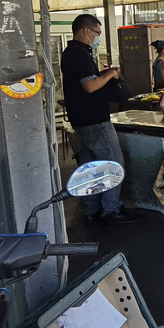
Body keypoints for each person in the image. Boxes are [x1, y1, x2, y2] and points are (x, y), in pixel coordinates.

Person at [61, 14, 140, 226]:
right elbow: (90, 86)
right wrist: (111, 74)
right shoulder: (79, 54)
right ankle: (112, 210)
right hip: (95, 121)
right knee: (114, 164)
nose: (97, 38)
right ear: (86, 31)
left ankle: (92, 209)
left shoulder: (71, 53)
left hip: (81, 120)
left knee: (90, 167)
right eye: (96, 33)